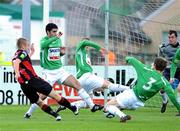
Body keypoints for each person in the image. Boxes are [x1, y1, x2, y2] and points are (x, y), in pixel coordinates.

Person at [24, 23, 103, 118]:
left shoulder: (58, 40)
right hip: (49, 73)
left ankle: (92, 106)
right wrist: (56, 37)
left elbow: (56, 55)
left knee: (77, 84)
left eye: (56, 31)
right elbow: (44, 45)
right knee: (43, 95)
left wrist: (61, 53)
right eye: (53, 32)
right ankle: (29, 112)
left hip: (60, 71)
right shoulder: (44, 41)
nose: (55, 33)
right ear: (48, 32)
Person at [12, 38, 79, 121]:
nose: (28, 47)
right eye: (28, 45)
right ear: (23, 45)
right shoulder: (23, 52)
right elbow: (17, 62)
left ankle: (56, 115)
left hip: (24, 85)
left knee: (40, 102)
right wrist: (17, 73)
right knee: (55, 96)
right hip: (34, 80)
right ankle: (71, 107)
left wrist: (32, 52)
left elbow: (21, 60)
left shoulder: (17, 53)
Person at [56, 38, 130, 112]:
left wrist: (97, 87)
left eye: (88, 46)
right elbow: (85, 42)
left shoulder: (85, 56)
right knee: (110, 85)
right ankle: (129, 88)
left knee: (88, 103)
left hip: (82, 80)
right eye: (87, 45)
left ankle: (65, 106)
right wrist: (100, 48)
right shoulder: (80, 49)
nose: (88, 47)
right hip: (86, 76)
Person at [104, 56, 180, 123]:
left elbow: (131, 58)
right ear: (163, 69)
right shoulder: (164, 82)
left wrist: (126, 59)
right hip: (138, 103)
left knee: (107, 107)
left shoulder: (145, 69)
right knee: (114, 108)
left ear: (155, 65)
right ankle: (164, 101)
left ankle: (122, 116)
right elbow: (173, 97)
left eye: (153, 63)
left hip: (131, 95)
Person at [159, 30, 180, 113]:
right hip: (168, 70)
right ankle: (165, 102)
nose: (170, 39)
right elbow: (159, 59)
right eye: (169, 37)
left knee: (179, 89)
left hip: (179, 70)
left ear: (176, 37)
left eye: (172, 37)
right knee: (162, 89)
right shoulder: (164, 48)